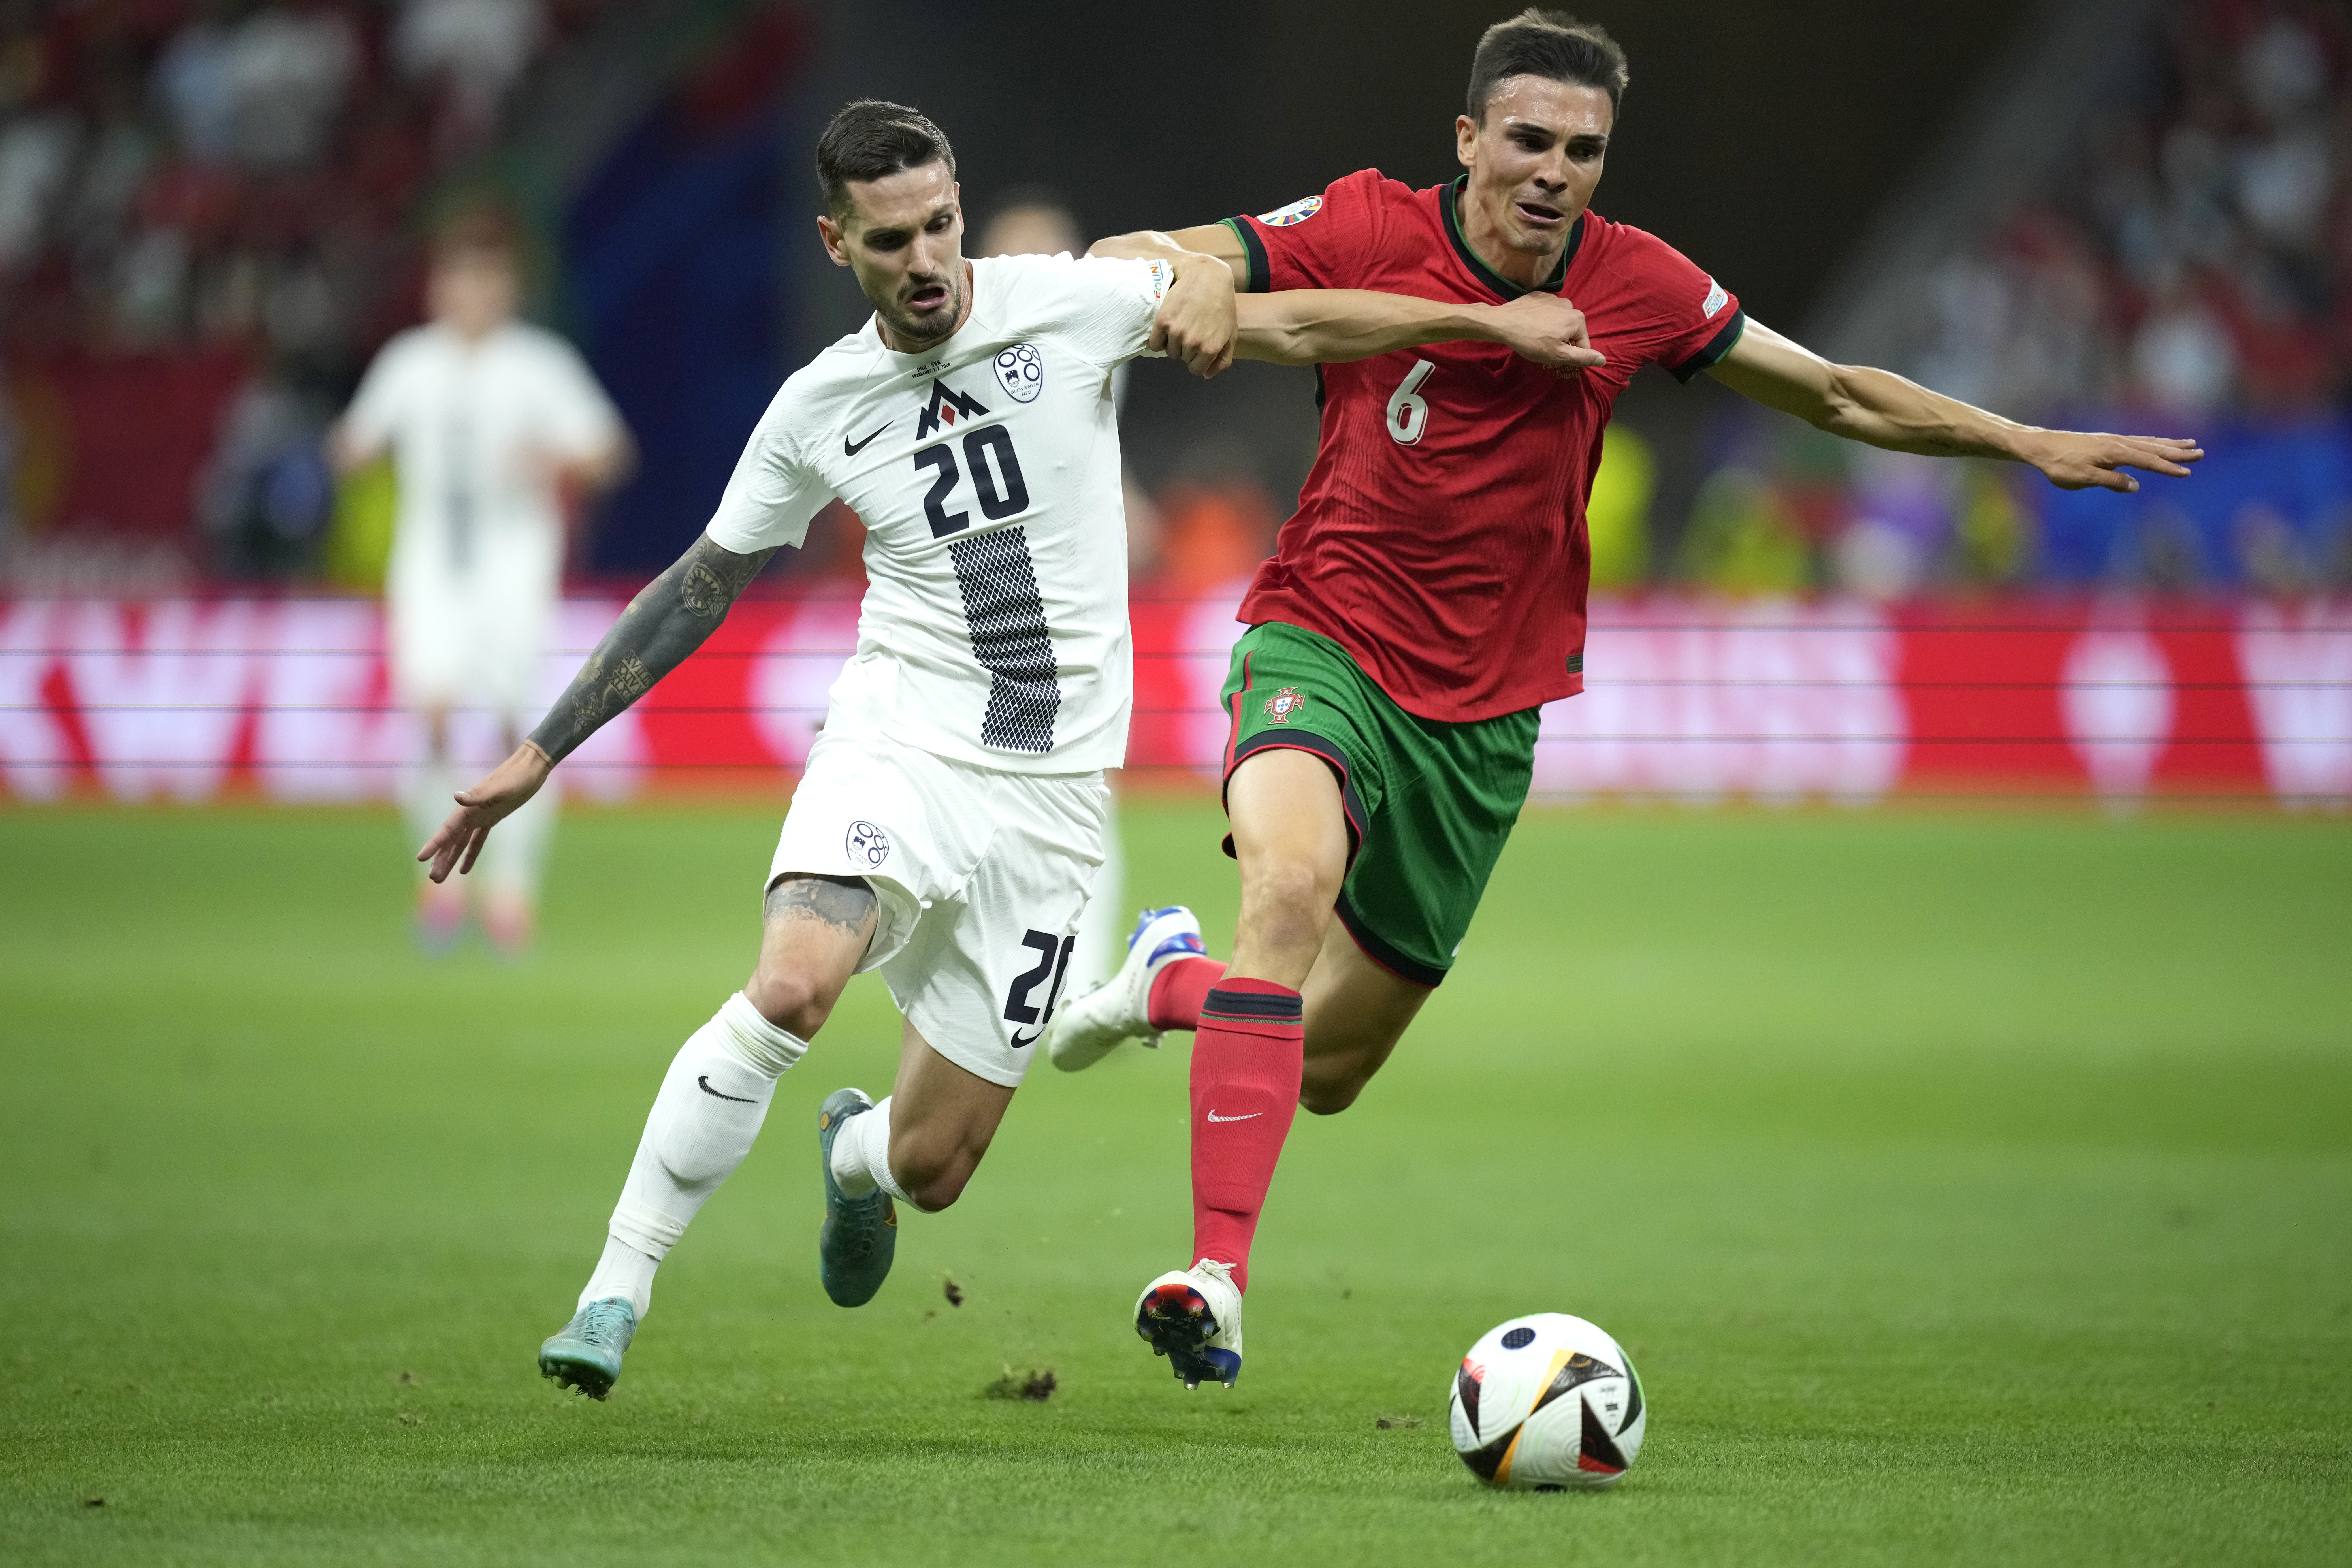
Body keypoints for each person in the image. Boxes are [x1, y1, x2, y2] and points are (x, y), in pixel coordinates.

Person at [1048, 7, 2203, 1394]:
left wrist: (2016, 437)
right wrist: (1182, 281)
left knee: (1333, 1059)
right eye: (1528, 140)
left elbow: (1831, 391)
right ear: (1467, 139)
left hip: (1486, 716)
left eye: (1584, 150)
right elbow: (1129, 261)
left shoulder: (1637, 283)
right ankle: (1215, 1274)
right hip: (1324, 640)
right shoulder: (1362, 223)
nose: (1554, 171)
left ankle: (1168, 978)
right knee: (1286, 892)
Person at [415, 98, 1602, 1400]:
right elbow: (701, 583)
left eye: (938, 226)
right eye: (888, 241)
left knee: (933, 1166)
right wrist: (541, 750)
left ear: (959, 206)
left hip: (1049, 802)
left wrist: (1469, 323)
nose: (923, 261)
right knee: (798, 982)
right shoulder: (819, 405)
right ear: (833, 242)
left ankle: (856, 1155)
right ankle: (614, 1290)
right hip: (900, 739)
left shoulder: (1069, 302)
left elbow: (1303, 319)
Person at [331, 208, 631, 955]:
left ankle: (511, 893)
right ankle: (440, 884)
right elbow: (352, 444)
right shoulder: (409, 363)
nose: (471, 293)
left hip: (512, 569)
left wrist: (553, 463)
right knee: (431, 718)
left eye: (485, 278)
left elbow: (610, 453)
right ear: (439, 288)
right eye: (458, 277)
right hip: (430, 567)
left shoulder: (538, 364)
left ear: (507, 289)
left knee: (511, 732)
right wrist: (348, 454)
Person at [972, 188, 1150, 993]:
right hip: (974, 597)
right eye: (1021, 257)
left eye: (1056, 257)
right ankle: (1021, 964)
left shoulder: (1088, 337)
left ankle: (1077, 974)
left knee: (1076, 784)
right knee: (984, 788)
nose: (1042, 275)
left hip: (1063, 600)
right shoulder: (955, 341)